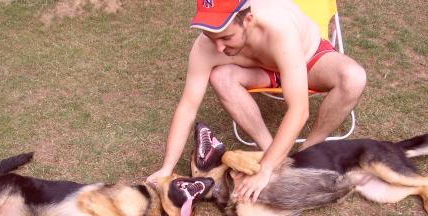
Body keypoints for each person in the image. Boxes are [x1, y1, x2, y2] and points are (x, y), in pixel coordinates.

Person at [147, 0, 366, 203]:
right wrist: (167, 168)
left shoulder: (279, 29)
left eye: (226, 37)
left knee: (353, 77)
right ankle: (270, 149)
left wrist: (265, 171)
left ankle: (309, 150)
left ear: (248, 20)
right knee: (221, 77)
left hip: (308, 62)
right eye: (212, 36)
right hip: (261, 71)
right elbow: (187, 108)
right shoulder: (208, 46)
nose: (219, 48)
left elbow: (299, 110)